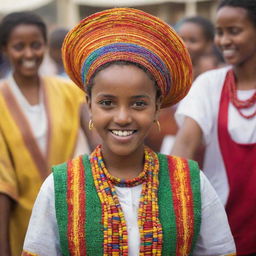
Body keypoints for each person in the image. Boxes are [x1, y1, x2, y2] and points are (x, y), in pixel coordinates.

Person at [22, 8, 236, 256]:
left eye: (138, 104)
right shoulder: (60, 186)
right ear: (89, 105)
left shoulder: (190, 182)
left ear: (157, 107)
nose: (122, 117)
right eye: (107, 103)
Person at [0, 12, 90, 256]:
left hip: (73, 214)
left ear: (45, 46)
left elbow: (98, 136)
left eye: (36, 45)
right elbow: (2, 184)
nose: (29, 54)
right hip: (19, 223)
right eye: (19, 47)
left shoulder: (70, 92)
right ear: (5, 49)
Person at [172, 0, 256, 255]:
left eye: (234, 31)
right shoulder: (209, 85)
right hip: (222, 225)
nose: (224, 40)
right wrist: (167, 200)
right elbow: (185, 145)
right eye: (220, 32)